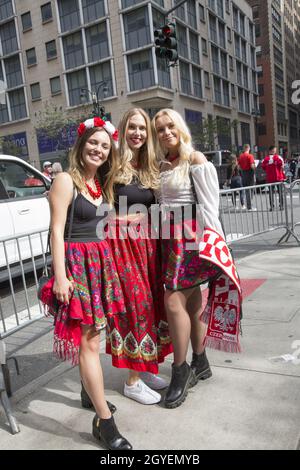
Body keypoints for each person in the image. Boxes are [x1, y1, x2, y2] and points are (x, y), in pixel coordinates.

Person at [43, 117, 132, 450]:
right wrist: (62, 277)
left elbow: (100, 220)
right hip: (76, 269)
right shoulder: (66, 180)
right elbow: (56, 229)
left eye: (105, 146)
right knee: (89, 343)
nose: (99, 149)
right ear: (81, 145)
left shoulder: (101, 183)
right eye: (93, 143)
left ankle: (88, 393)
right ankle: (105, 423)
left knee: (93, 337)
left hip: (98, 266)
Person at [152, 109, 242, 409]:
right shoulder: (162, 163)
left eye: (170, 126)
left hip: (191, 240)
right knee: (191, 304)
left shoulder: (196, 159)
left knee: (174, 301)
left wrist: (217, 247)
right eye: (160, 129)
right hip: (168, 238)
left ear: (180, 127)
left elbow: (209, 207)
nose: (166, 132)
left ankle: (181, 371)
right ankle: (200, 361)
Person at [105, 108, 172, 405]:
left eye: (142, 128)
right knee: (136, 308)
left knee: (153, 306)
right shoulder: (111, 163)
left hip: (148, 247)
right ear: (123, 128)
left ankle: (145, 368)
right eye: (132, 127)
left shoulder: (149, 166)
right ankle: (132, 382)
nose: (137, 133)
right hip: (122, 248)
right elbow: (99, 205)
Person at [261, 145, 285, 211]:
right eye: (274, 150)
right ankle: (280, 206)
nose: (275, 151)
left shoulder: (266, 159)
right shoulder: (278, 157)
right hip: (278, 178)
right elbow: (282, 166)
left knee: (271, 193)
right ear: (271, 151)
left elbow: (263, 167)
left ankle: (272, 206)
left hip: (271, 178)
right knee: (279, 192)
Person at [238, 144, 256, 211]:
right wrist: (255, 166)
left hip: (243, 174)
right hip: (250, 174)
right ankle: (250, 206)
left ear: (244, 148)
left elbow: (239, 167)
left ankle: (249, 206)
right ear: (249, 148)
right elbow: (252, 166)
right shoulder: (250, 156)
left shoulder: (241, 156)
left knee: (247, 191)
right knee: (250, 191)